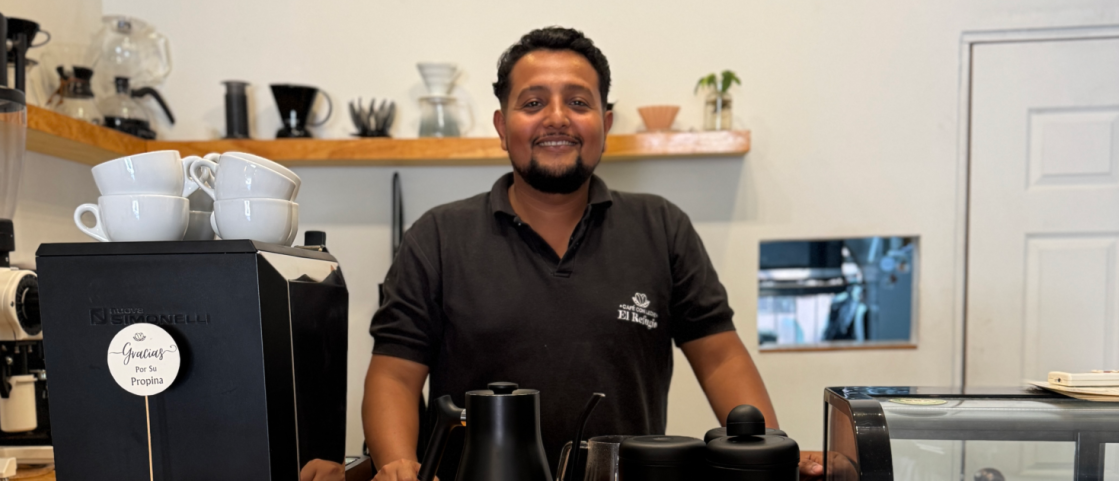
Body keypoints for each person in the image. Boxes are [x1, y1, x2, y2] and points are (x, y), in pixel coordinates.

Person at [300, 27, 823, 481]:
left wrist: (765, 455)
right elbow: (394, 373)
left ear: (605, 124)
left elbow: (721, 356)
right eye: (533, 103)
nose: (557, 118)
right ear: (502, 127)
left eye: (578, 102)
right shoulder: (437, 237)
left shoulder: (662, 227)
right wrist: (398, 465)